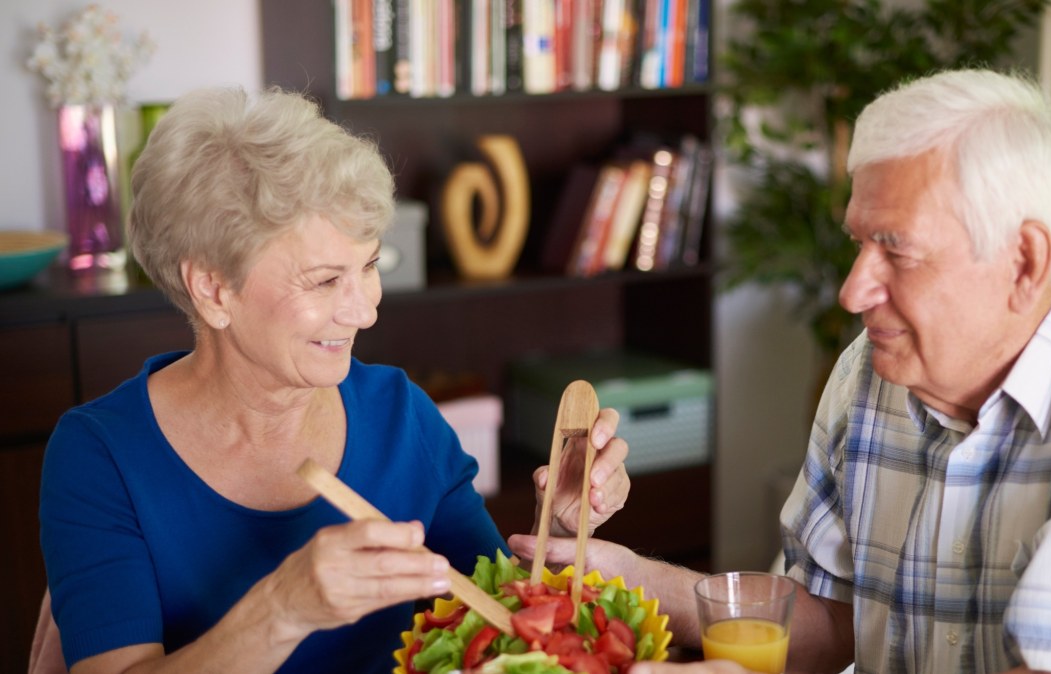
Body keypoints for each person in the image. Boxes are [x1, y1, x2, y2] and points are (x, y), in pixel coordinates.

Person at [511, 69, 1051, 673]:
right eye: (859, 244)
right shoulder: (869, 372)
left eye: (896, 250)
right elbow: (833, 622)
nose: (853, 290)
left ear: (1025, 261)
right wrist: (617, 576)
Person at [39, 86, 631, 674]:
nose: (365, 311)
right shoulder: (101, 454)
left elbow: (496, 626)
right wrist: (283, 609)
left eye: (368, 265)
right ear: (213, 290)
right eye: (325, 281)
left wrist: (557, 529)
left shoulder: (399, 414)